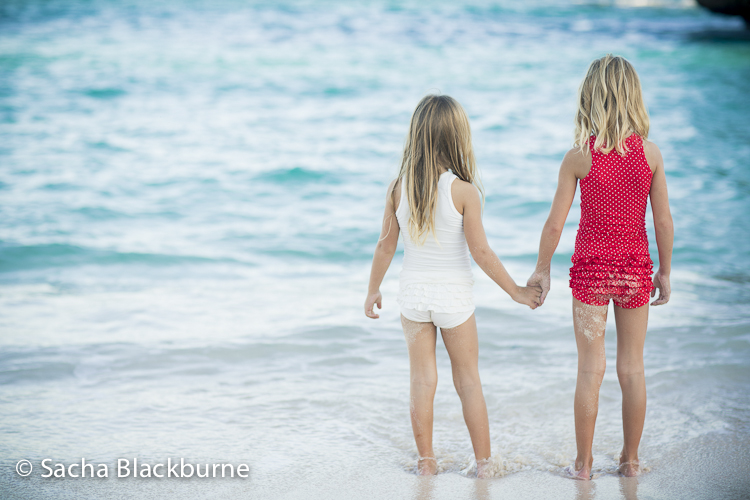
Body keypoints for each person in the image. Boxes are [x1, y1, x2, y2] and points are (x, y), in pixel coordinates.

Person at [364, 94, 542, 477]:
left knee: (421, 380)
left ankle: (426, 462)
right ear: (457, 138)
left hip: (413, 297)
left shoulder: (397, 188)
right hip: (453, 298)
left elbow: (384, 246)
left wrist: (372, 289)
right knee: (467, 381)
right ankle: (484, 465)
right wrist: (516, 291)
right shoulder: (463, 191)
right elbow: (481, 251)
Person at [527, 55, 674, 479]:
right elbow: (663, 221)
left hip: (591, 273)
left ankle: (584, 464)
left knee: (590, 368)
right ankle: (630, 461)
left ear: (589, 98)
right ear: (634, 98)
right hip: (633, 272)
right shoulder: (650, 155)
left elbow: (554, 223)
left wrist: (542, 269)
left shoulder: (579, 157)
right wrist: (665, 271)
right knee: (632, 368)